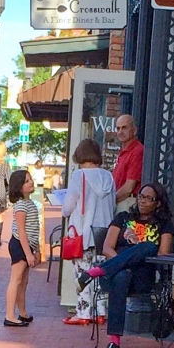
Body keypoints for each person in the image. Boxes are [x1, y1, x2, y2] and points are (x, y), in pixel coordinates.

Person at [78, 182, 174, 348]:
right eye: (140, 196)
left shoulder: (164, 224)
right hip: (115, 274)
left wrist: (136, 255)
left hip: (142, 278)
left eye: (148, 198)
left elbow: (163, 254)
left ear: (158, 203)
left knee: (149, 247)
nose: (142, 201)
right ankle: (114, 341)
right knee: (121, 275)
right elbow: (107, 248)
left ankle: (93, 272)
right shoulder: (122, 218)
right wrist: (121, 263)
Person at [61, 138, 116, 326]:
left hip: (84, 234)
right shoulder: (109, 177)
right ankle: (101, 311)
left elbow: (67, 207)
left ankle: (84, 312)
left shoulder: (79, 176)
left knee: (82, 274)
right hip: (105, 234)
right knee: (100, 273)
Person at [4, 168, 41, 326]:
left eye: (30, 179)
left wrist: (37, 249)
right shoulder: (20, 206)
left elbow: (34, 228)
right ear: (18, 186)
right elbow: (21, 230)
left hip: (28, 245)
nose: (31, 182)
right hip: (20, 245)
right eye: (26, 181)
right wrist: (28, 254)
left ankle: (22, 312)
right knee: (16, 279)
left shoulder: (30, 203)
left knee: (23, 281)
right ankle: (10, 315)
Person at [112, 115, 144, 213]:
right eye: (118, 128)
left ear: (134, 130)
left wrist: (110, 201)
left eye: (124, 128)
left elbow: (129, 187)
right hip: (119, 201)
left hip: (126, 202)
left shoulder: (137, 150)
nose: (120, 132)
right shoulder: (124, 150)